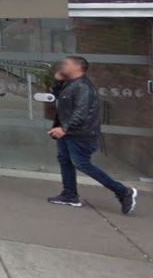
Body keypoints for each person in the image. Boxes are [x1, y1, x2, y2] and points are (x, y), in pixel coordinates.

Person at [47, 56, 137, 214]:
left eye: (67, 63)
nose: (63, 65)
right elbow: (59, 97)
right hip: (69, 132)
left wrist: (64, 129)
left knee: (82, 164)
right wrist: (58, 81)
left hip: (81, 134)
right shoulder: (71, 83)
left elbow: (81, 113)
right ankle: (69, 195)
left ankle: (123, 192)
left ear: (78, 67)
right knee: (65, 161)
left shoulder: (83, 86)